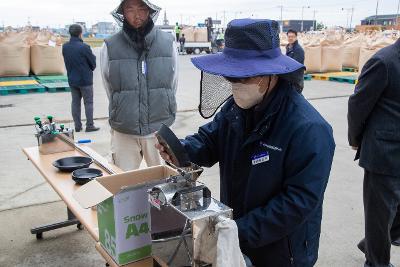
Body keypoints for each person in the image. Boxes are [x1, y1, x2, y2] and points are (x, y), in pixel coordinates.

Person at [156, 19, 335, 266]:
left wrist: (238, 231)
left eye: (243, 77)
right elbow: (209, 140)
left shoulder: (309, 129)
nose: (235, 85)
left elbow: (297, 203)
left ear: (271, 75)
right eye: (231, 77)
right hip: (237, 231)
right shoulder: (236, 108)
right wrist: (181, 150)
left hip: (283, 249)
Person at [100, 0, 178, 171]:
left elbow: (172, 83)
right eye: (130, 9)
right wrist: (123, 107)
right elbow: (109, 86)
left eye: (142, 8)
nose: (137, 15)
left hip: (159, 128)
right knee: (124, 184)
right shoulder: (109, 46)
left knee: (165, 181)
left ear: (149, 11)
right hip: (124, 129)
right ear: (123, 13)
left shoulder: (168, 42)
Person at [348, 38, 400, 267]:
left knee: (392, 215)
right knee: (380, 215)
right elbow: (359, 104)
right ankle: (376, 262)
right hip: (385, 153)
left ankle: (371, 243)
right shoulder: (384, 62)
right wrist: (356, 139)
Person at [62, 24, 99, 132]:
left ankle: (77, 126)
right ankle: (90, 125)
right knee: (88, 103)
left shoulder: (65, 47)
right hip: (85, 80)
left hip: (72, 79)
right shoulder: (84, 47)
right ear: (80, 33)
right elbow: (93, 64)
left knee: (75, 102)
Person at [286, 29, 305, 93]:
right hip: (290, 80)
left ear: (296, 37)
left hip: (296, 82)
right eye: (289, 36)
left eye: (292, 36)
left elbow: (295, 66)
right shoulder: (288, 47)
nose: (290, 38)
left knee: (296, 100)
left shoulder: (298, 50)